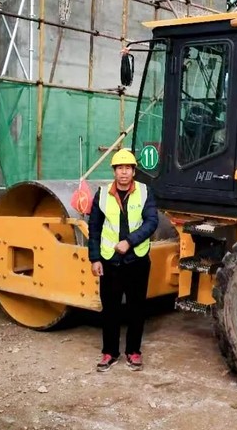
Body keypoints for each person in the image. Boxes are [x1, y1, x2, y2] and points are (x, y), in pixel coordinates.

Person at [87, 148, 159, 372]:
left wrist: (129, 241)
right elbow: (94, 228)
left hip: (137, 260)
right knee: (110, 309)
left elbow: (151, 222)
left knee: (137, 308)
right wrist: (95, 258)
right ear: (114, 171)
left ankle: (133, 352)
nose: (124, 172)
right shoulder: (102, 194)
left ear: (134, 171)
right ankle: (109, 352)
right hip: (110, 261)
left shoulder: (145, 192)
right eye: (120, 168)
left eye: (128, 168)